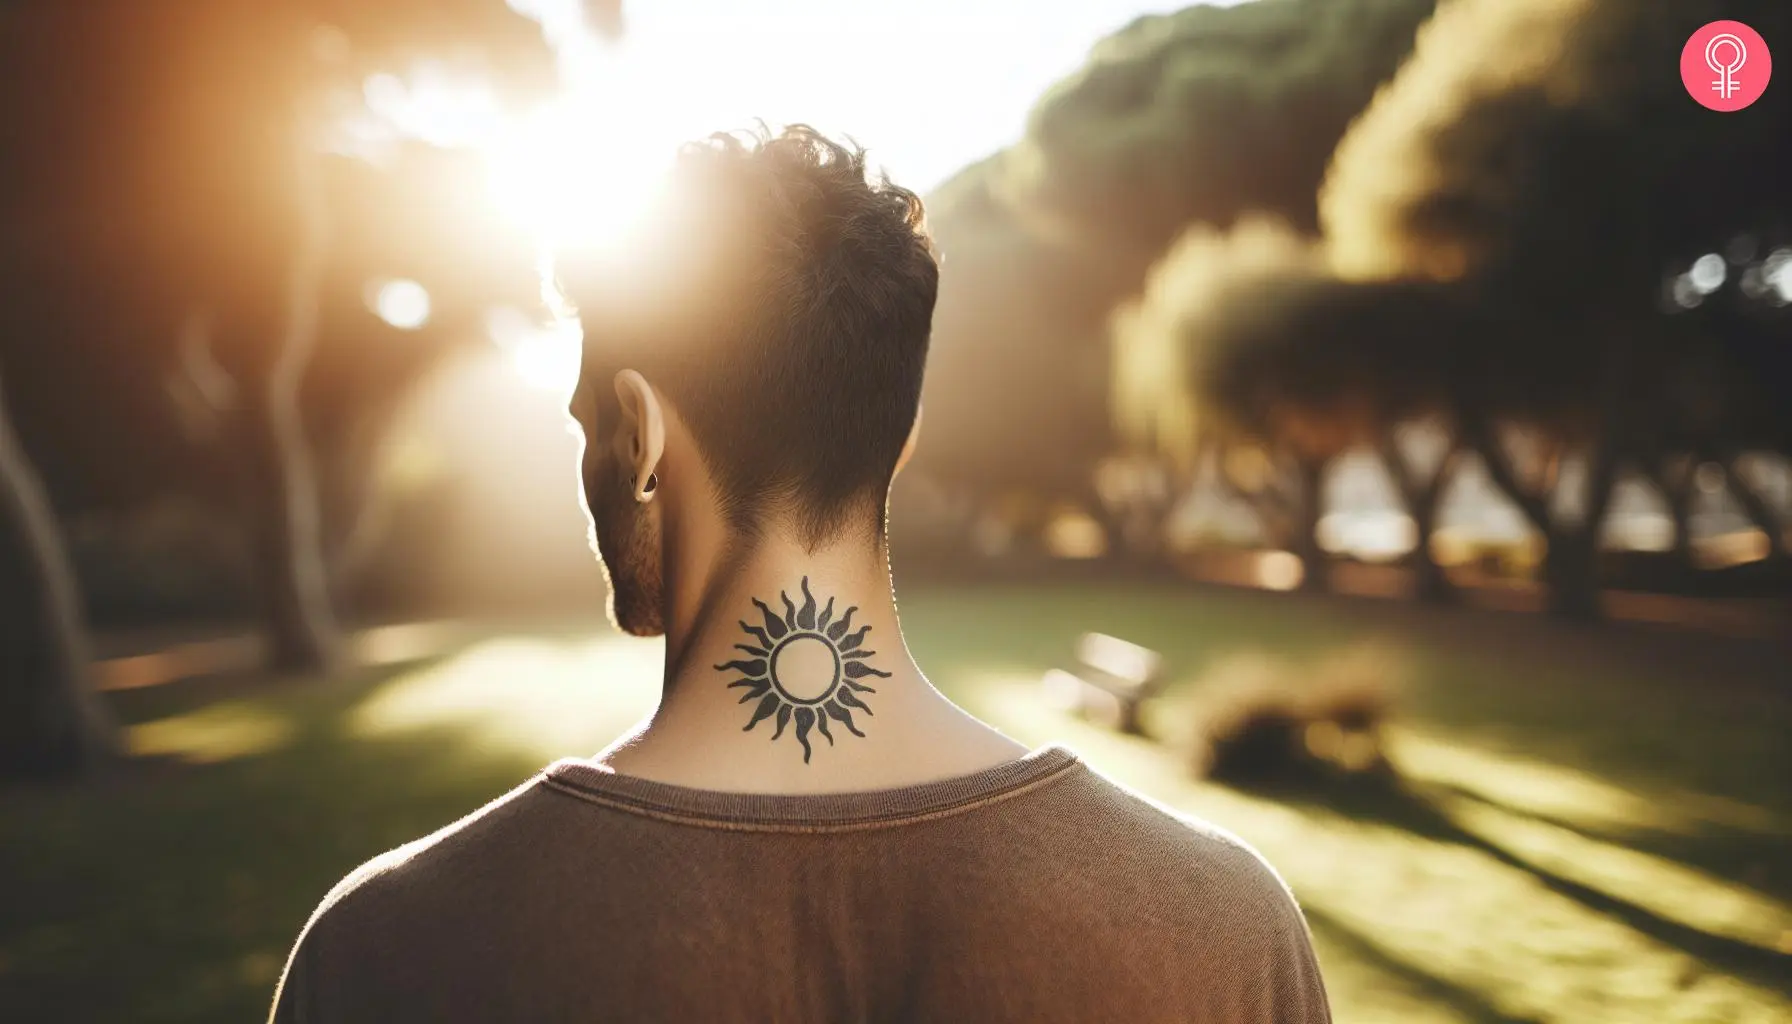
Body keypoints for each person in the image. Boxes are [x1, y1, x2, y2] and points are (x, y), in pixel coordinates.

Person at [269, 125, 1331, 1023]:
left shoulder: (390, 951)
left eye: (585, 420)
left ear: (635, 434)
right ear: (898, 441)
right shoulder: (1222, 929)